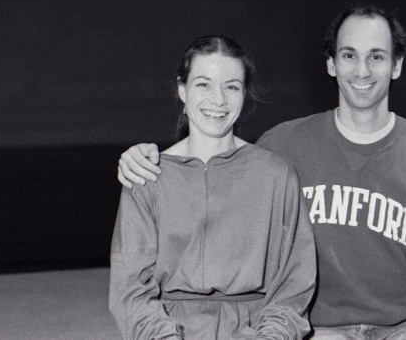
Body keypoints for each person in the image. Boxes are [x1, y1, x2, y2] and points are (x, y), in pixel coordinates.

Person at [117, 4, 406, 340]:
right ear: (331, 64)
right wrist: (143, 156)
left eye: (376, 56)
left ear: (396, 64)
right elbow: (218, 167)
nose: (362, 70)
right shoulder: (282, 146)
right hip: (317, 330)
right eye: (349, 55)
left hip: (401, 328)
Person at [109, 35, 316, 340]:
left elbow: (294, 284)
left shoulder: (276, 175)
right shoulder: (147, 175)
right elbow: (130, 290)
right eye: (203, 84)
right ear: (182, 89)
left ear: (244, 94)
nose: (218, 100)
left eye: (231, 86)